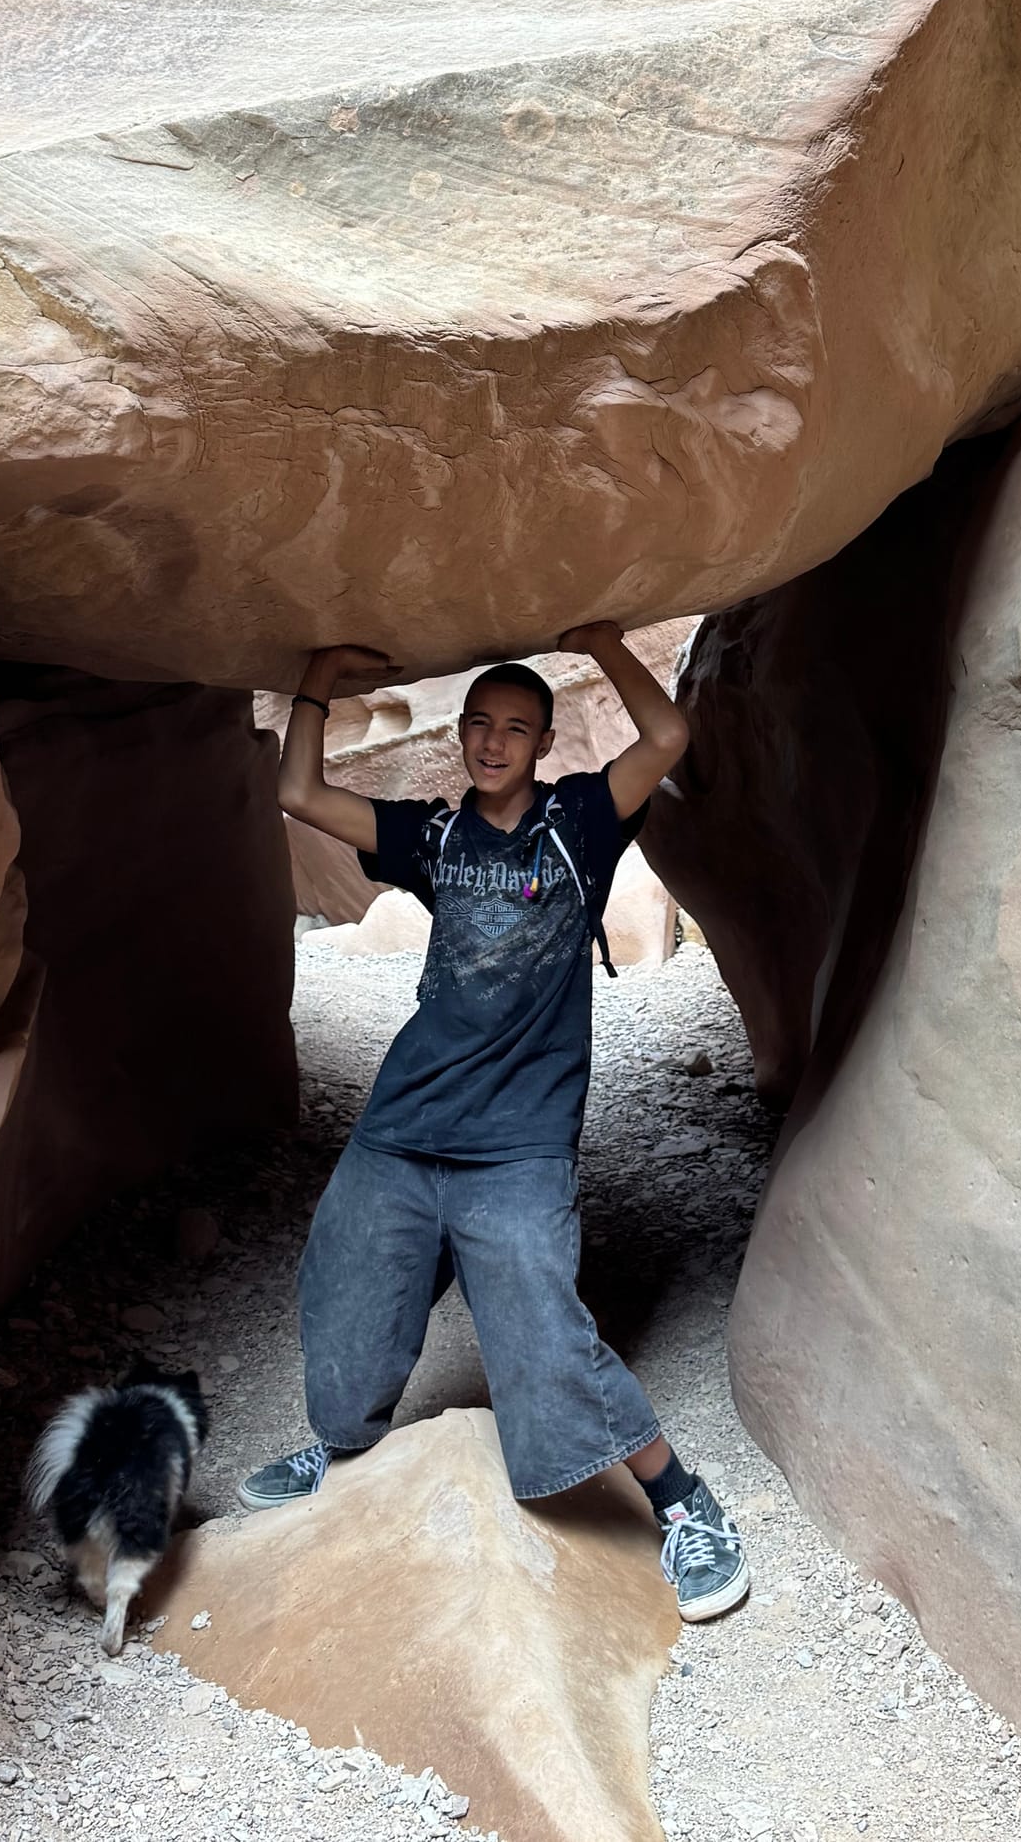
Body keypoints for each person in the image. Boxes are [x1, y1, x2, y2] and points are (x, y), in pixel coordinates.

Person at [237, 623, 749, 1622]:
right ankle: (340, 1449)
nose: (493, 741)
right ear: (463, 733)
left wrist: (603, 644)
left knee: (542, 1331)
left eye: (517, 727)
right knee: (345, 1293)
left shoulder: (579, 823)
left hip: (516, 1145)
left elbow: (667, 736)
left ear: (542, 742)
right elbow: (298, 791)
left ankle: (682, 1503)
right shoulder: (431, 836)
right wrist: (315, 677)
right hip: (403, 1126)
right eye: (480, 723)